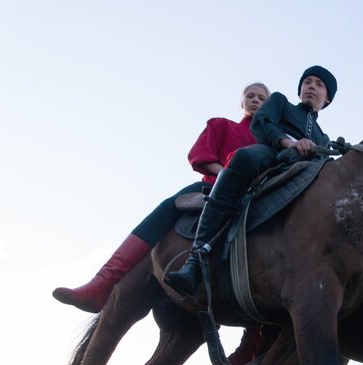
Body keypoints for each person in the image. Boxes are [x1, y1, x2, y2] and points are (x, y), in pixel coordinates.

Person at [52, 82, 271, 313]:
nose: (255, 100)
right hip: (212, 187)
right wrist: (229, 176)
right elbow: (200, 155)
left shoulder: (269, 143)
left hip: (255, 197)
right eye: (250, 96)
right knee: (166, 208)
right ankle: (102, 283)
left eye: (261, 98)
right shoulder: (222, 125)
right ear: (241, 101)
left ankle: (255, 330)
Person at [164, 66, 338, 296]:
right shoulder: (280, 102)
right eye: (308, 82)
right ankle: (196, 258)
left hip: (300, 171)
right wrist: (289, 142)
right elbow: (261, 123)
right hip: (271, 154)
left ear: (327, 99)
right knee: (244, 157)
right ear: (300, 90)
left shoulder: (323, 138)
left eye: (319, 84)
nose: (312, 87)